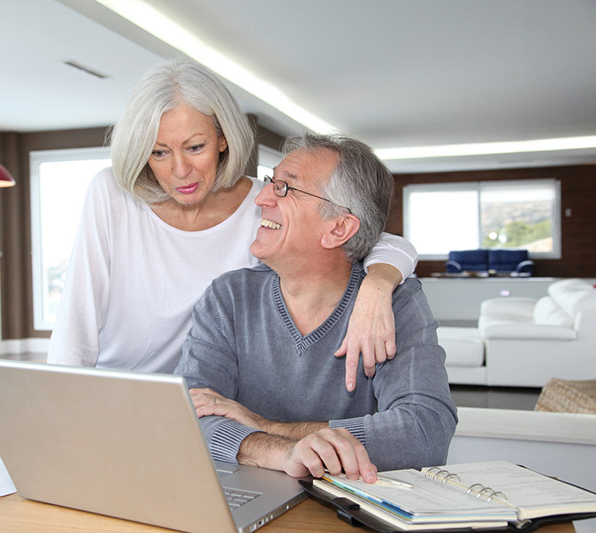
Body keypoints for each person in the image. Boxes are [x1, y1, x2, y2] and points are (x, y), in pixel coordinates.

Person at [47, 59, 418, 391]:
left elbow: (373, 236)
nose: (180, 171)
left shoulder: (264, 203)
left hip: (205, 400)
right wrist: (60, 406)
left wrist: (378, 286)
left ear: (223, 139)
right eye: (159, 152)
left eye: (195, 147)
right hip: (113, 390)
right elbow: (76, 322)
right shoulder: (112, 194)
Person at [175, 133, 457, 482]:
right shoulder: (229, 297)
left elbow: (424, 431)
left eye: (284, 188)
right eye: (269, 182)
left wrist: (268, 427)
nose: (261, 198)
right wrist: (279, 451)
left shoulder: (397, 303)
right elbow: (189, 413)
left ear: (338, 228)